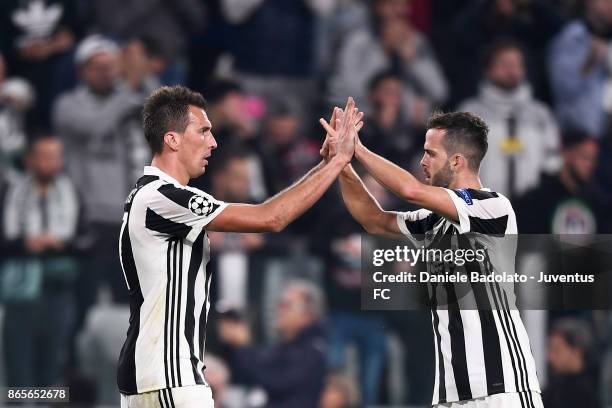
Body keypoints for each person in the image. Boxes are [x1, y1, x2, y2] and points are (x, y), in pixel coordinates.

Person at [116, 86, 360, 407]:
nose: (213, 143)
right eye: (202, 132)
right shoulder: (162, 198)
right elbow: (270, 218)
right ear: (172, 139)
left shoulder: (156, 198)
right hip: (166, 376)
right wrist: (337, 162)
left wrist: (325, 164)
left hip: (168, 375)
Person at [320, 110, 543, 407]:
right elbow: (373, 219)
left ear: (456, 161)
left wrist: (357, 149)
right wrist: (342, 165)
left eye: (430, 153)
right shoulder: (431, 220)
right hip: (451, 393)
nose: (422, 162)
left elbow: (410, 190)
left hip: (502, 386)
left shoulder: (492, 207)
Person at [1, 135, 83, 388]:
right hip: (21, 294)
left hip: (59, 291)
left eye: (56, 157)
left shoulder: (71, 191)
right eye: (45, 157)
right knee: (19, 373)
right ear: (30, 160)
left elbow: (87, 240)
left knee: (54, 371)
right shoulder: (10, 192)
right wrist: (26, 245)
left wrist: (61, 244)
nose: (51, 163)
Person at [458, 39, 560, 201]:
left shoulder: (541, 115)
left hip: (532, 210)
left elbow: (553, 164)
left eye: (517, 64)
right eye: (505, 64)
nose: (512, 70)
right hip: (482, 209)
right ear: (488, 70)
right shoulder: (469, 114)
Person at [217, 280, 327, 408]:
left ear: (307, 315)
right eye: (280, 304)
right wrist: (232, 345)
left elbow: (276, 383)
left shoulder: (313, 351)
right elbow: (241, 375)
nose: (279, 310)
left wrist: (243, 347)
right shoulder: (284, 345)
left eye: (286, 305)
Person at [543, 318, 601, 408]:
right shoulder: (554, 389)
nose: (550, 357)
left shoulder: (584, 394)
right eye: (550, 350)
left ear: (577, 351)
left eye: (557, 350)